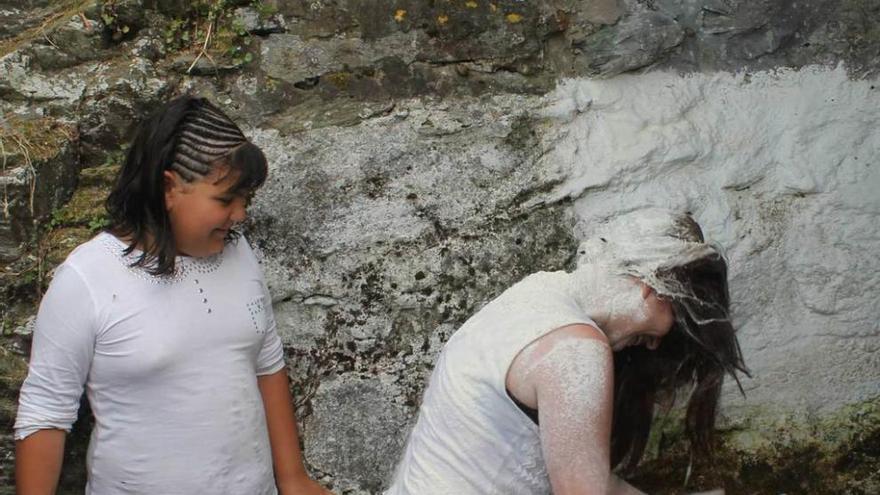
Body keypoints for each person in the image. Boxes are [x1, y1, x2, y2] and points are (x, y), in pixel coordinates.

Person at [15, 96, 330, 495]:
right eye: (225, 200)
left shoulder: (241, 254)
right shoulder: (88, 277)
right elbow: (45, 412)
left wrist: (292, 478)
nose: (240, 215)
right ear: (169, 187)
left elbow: (267, 364)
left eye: (245, 201)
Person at [387, 208, 748, 494]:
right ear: (655, 287)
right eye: (676, 318)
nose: (656, 343)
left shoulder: (534, 294)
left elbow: (591, 483)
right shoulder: (577, 351)